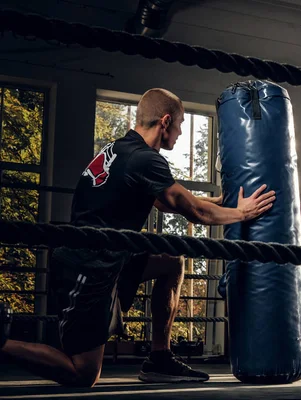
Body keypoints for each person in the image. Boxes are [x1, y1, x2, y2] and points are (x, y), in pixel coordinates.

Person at [0, 88, 276, 387]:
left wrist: (219, 201)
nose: (181, 133)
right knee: (83, 374)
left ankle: (160, 358)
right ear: (166, 121)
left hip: (111, 257)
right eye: (181, 124)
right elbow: (196, 213)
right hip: (87, 269)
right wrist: (243, 213)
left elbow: (166, 200)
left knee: (170, 261)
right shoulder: (145, 159)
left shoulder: (120, 150)